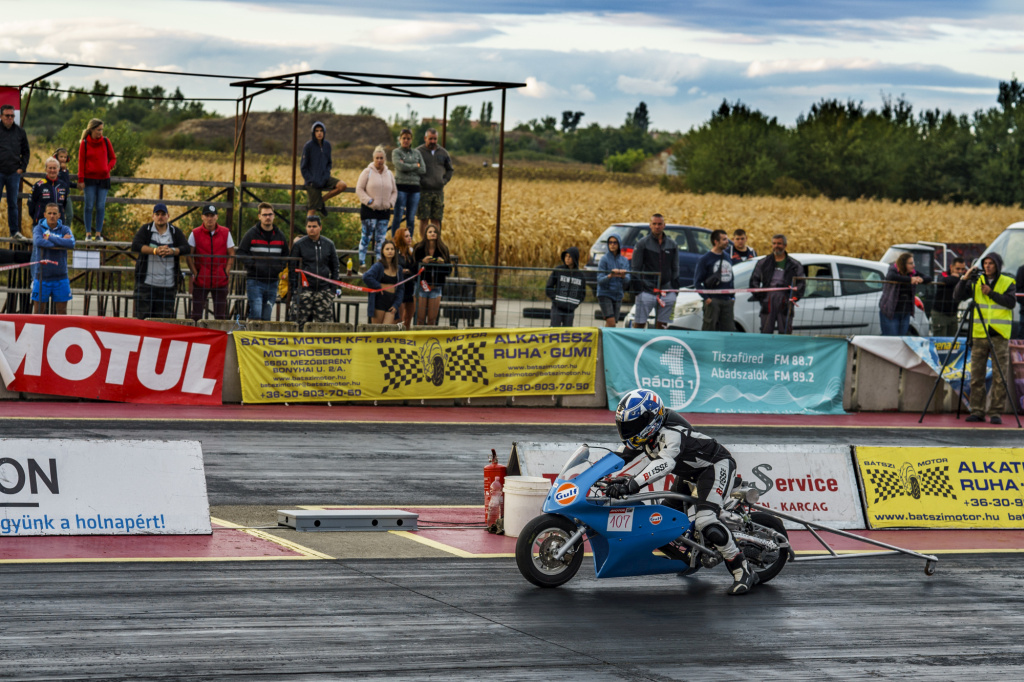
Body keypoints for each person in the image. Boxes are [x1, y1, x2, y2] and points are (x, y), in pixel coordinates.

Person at [608, 388, 757, 596]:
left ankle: (743, 569)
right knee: (662, 521)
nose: (627, 430)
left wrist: (631, 484)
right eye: (624, 425)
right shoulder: (646, 434)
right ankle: (691, 557)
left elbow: (665, 464)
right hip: (690, 474)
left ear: (650, 419)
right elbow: (618, 457)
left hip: (714, 467)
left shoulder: (671, 433)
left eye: (632, 425)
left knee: (706, 520)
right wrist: (595, 476)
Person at [953, 253, 1017, 424]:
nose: (988, 266)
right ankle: (977, 410)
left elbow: (1011, 303)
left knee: (999, 376)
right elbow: (957, 296)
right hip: (979, 333)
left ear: (997, 265)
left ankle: (996, 412)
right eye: (985, 263)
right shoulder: (977, 282)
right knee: (976, 375)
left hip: (999, 335)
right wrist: (964, 278)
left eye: (991, 263)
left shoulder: (1007, 282)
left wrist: (991, 293)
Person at [131, 203, 190, 320]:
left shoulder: (175, 232)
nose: (160, 217)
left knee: (163, 323)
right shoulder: (146, 229)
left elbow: (186, 248)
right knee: (142, 321)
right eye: (157, 214)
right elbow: (135, 246)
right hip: (146, 285)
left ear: (168, 216)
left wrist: (172, 251)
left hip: (168, 287)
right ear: (153, 216)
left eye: (163, 214)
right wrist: (155, 251)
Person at [236, 202, 289, 321]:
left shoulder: (280, 236)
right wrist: (254, 265)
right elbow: (240, 253)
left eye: (270, 214)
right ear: (259, 216)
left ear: (274, 215)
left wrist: (278, 267)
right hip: (255, 281)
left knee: (266, 316)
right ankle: (251, 338)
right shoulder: (251, 234)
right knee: (256, 313)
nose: (268, 217)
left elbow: (286, 255)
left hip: (273, 281)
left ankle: (262, 339)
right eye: (265, 215)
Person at [288, 215, 340, 330]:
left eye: (314, 226)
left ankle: (322, 348)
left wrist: (332, 289)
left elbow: (335, 267)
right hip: (304, 291)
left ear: (320, 227)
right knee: (297, 325)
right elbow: (292, 268)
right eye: (309, 226)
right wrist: (295, 289)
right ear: (306, 228)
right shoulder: (299, 245)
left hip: (323, 291)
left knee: (324, 327)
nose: (312, 229)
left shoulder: (329, 244)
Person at [187, 204, 235, 321]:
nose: (210, 218)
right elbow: (188, 255)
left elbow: (232, 254)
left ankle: (218, 338)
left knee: (220, 316)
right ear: (202, 217)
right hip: (201, 280)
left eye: (212, 216)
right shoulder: (195, 233)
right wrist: (195, 272)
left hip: (220, 280)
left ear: (217, 217)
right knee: (196, 315)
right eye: (207, 215)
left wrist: (226, 272)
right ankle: (196, 337)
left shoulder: (225, 232)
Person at [749, 234, 805, 334]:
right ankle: (766, 349)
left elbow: (801, 283)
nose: (776, 246)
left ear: (785, 245)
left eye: (779, 243)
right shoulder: (764, 263)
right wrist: (760, 296)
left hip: (785, 300)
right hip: (768, 300)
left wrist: (794, 298)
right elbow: (754, 281)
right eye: (774, 243)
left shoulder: (794, 264)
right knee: (766, 330)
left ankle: (784, 349)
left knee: (785, 331)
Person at [631, 214, 679, 329]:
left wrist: (675, 289)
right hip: (646, 291)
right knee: (639, 324)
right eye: (654, 224)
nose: (657, 226)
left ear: (664, 225)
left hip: (666, 291)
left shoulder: (672, 244)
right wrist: (638, 290)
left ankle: (658, 346)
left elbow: (676, 268)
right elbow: (635, 268)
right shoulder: (642, 243)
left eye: (659, 224)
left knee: (662, 326)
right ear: (650, 225)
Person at [356, 145, 397, 271]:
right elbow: (359, 189)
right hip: (370, 211)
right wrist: (368, 201)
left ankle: (380, 266)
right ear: (373, 159)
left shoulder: (389, 174)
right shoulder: (367, 172)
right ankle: (362, 263)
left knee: (381, 241)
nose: (379, 160)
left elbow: (395, 191)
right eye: (377, 158)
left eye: (381, 158)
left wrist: (391, 203)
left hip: (384, 212)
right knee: (366, 238)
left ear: (385, 159)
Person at [31, 203, 74, 314]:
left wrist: (49, 238)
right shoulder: (38, 228)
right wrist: (60, 242)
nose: (52, 216)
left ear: (59, 215)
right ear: (44, 214)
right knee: (38, 313)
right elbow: (38, 242)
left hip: (61, 277)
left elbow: (71, 243)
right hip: (41, 277)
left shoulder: (65, 229)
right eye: (49, 213)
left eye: (54, 213)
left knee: (62, 314)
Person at [77, 118, 116, 242]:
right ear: (92, 129)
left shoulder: (106, 141)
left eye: (102, 130)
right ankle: (88, 233)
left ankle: (98, 234)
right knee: (88, 206)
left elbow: (113, 158)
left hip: (104, 179)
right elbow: (81, 162)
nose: (101, 132)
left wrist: (107, 168)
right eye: (98, 130)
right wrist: (80, 179)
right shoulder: (85, 143)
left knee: (100, 206)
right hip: (89, 180)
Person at [300, 121, 347, 219]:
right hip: (312, 182)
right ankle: (308, 233)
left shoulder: (327, 145)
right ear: (313, 133)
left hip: (324, 178)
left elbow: (329, 163)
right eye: (316, 131)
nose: (319, 133)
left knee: (342, 185)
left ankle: (321, 202)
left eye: (321, 130)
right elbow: (303, 167)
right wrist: (310, 180)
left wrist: (326, 175)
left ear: (324, 132)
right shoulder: (308, 146)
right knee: (312, 210)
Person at [694, 229, 736, 332]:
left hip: (727, 301)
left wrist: (732, 297)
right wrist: (707, 299)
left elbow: (731, 277)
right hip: (713, 301)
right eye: (724, 239)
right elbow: (697, 282)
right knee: (710, 329)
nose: (727, 241)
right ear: (716, 241)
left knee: (729, 331)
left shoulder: (727, 257)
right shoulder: (705, 259)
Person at [416, 128, 454, 239]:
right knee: (424, 219)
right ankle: (424, 244)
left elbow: (450, 169)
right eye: (430, 139)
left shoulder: (443, 153)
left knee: (436, 219)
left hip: (438, 192)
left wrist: (444, 181)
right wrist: (420, 181)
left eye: (435, 139)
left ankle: (435, 243)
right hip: (424, 192)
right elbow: (413, 169)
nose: (433, 141)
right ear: (425, 138)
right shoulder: (418, 152)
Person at [880, 252, 929, 336]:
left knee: (902, 339)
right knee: (892, 339)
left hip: (905, 312)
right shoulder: (893, 270)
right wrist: (910, 280)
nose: (913, 265)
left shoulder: (913, 273)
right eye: (910, 263)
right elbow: (891, 277)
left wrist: (921, 279)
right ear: (903, 264)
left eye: (913, 263)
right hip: (891, 312)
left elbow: (928, 278)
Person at [0, 104, 29, 240]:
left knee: (13, 203)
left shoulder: (20, 132)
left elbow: (26, 152)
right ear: (1, 116)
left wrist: (22, 168)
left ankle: (14, 232)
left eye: (12, 116)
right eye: (7, 116)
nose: (10, 118)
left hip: (13, 174)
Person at [413, 223, 451, 326]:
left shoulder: (443, 249)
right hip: (421, 286)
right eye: (430, 232)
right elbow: (413, 268)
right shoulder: (419, 248)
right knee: (419, 319)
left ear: (438, 234)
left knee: (432, 320)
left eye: (435, 232)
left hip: (436, 287)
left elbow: (449, 270)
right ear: (426, 234)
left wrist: (443, 264)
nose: (432, 234)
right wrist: (422, 261)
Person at [391, 128, 426, 237]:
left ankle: (407, 244)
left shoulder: (417, 153)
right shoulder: (396, 152)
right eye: (404, 138)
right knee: (398, 217)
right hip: (401, 189)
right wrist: (416, 165)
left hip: (415, 190)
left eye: (408, 138)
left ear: (411, 140)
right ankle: (395, 242)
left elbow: (423, 169)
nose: (406, 140)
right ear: (400, 139)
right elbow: (400, 167)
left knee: (411, 219)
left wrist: (407, 165)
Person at [363, 239, 404, 325]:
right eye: (387, 249)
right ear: (382, 251)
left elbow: (401, 288)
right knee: (377, 331)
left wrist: (396, 304)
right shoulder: (378, 266)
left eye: (392, 249)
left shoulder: (398, 268)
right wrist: (378, 286)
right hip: (379, 301)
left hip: (392, 302)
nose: (390, 251)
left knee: (387, 331)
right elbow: (366, 276)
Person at [545, 246, 585, 327]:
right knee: (554, 330)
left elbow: (582, 294)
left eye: (570, 256)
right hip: (557, 308)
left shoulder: (580, 275)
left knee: (567, 332)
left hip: (570, 310)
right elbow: (549, 287)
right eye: (566, 256)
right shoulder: (558, 270)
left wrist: (575, 304)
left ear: (575, 258)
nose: (567, 258)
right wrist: (556, 299)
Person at [596, 235, 630, 327]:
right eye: (610, 242)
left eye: (615, 242)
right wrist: (610, 276)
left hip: (618, 294)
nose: (612, 245)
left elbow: (628, 280)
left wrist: (623, 276)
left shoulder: (624, 260)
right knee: (611, 322)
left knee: (611, 323)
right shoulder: (604, 259)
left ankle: (603, 340)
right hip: (605, 294)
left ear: (619, 244)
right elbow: (600, 280)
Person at [932, 257, 967, 337]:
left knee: (952, 341)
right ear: (951, 267)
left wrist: (959, 279)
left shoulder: (962, 277)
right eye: (958, 269)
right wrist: (960, 279)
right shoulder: (943, 274)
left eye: (962, 269)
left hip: (953, 314)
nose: (960, 271)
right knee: (939, 342)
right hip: (940, 314)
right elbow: (943, 280)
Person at [27, 158, 68, 225]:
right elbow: (31, 205)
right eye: (50, 168)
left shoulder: (63, 185)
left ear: (58, 169)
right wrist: (37, 217)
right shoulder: (38, 185)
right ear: (46, 169)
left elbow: (64, 205)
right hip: (40, 224)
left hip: (59, 225)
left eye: (54, 168)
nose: (52, 170)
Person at [394, 225, 418, 330]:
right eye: (406, 236)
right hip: (399, 289)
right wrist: (402, 271)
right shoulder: (394, 253)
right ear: (400, 238)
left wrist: (408, 271)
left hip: (410, 288)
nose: (410, 238)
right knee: (400, 321)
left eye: (410, 236)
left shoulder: (411, 253)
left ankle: (407, 341)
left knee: (408, 319)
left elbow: (414, 269)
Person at [54, 147, 76, 228]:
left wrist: (77, 185)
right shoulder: (54, 168)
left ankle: (65, 231)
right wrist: (63, 170)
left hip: (66, 195)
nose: (63, 159)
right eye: (61, 157)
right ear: (56, 157)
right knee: (58, 216)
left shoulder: (65, 169)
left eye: (65, 157)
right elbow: (60, 182)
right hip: (57, 195)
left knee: (70, 215)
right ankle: (57, 231)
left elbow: (67, 183)